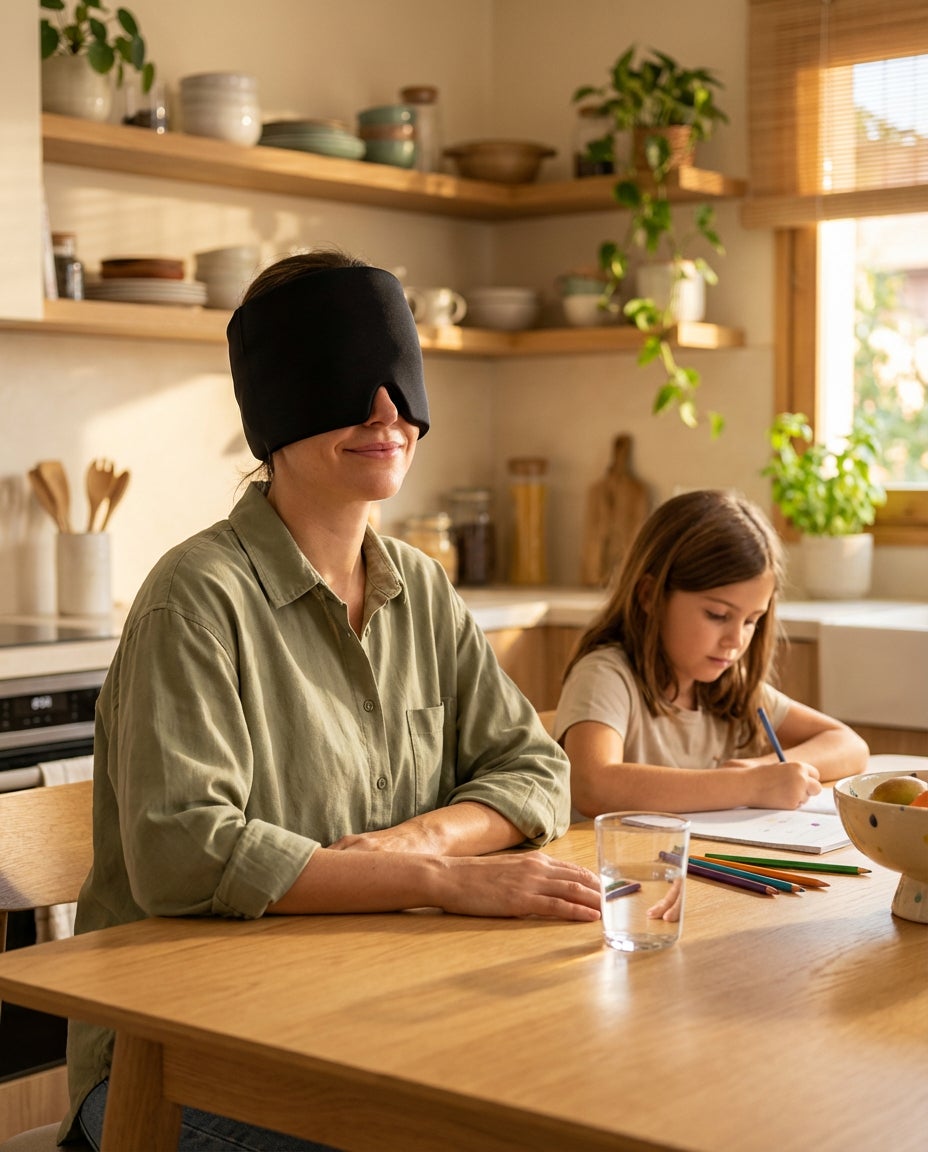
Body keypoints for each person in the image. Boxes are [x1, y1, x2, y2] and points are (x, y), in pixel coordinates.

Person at [64, 248, 600, 1152]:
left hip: (368, 1016)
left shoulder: (422, 591)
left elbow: (537, 765)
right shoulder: (193, 600)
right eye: (349, 381)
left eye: (398, 379)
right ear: (274, 406)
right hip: (178, 1060)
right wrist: (440, 880)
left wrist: (427, 837)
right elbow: (184, 854)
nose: (388, 413)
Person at [554, 489, 869, 818]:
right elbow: (593, 786)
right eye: (718, 615)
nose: (735, 639)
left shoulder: (732, 688)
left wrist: (759, 769)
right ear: (650, 596)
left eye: (751, 621)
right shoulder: (605, 675)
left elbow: (849, 745)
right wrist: (749, 784)